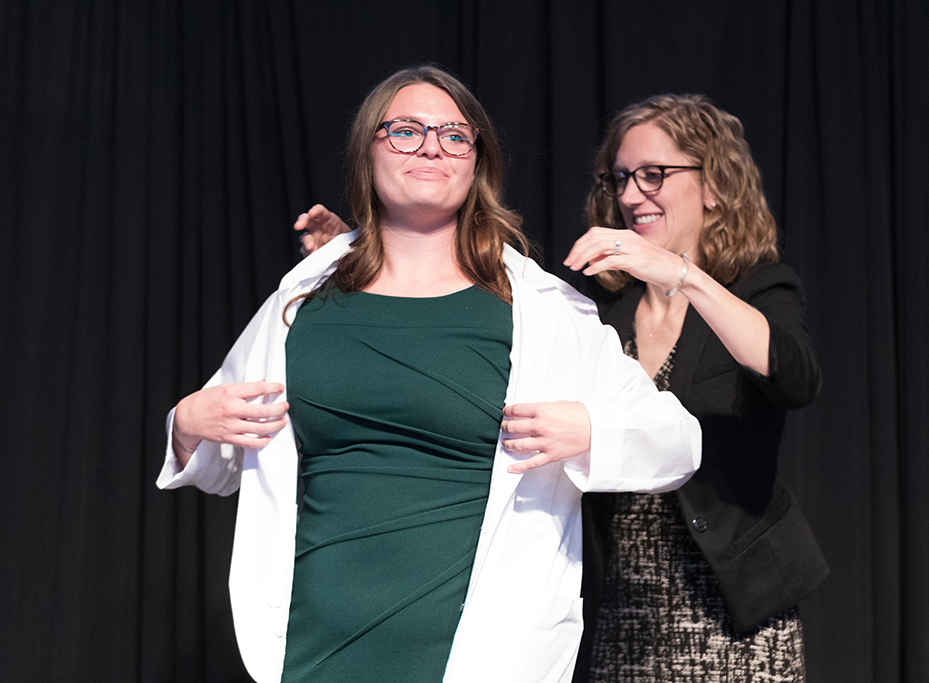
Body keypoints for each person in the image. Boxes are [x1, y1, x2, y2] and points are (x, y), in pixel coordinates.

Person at [157, 66, 701, 683]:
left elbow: (678, 441)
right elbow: (228, 460)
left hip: (480, 651)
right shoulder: (302, 299)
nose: (431, 148)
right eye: (406, 131)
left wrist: (591, 431)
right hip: (311, 645)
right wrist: (186, 424)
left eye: (453, 134)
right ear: (368, 152)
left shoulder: (540, 308)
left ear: (477, 161)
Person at [563, 94, 827, 682]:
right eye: (621, 178)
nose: (631, 196)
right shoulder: (605, 303)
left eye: (653, 175)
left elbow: (795, 375)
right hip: (623, 604)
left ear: (713, 184)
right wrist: (364, 259)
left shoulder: (759, 287)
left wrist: (684, 275)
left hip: (735, 605)